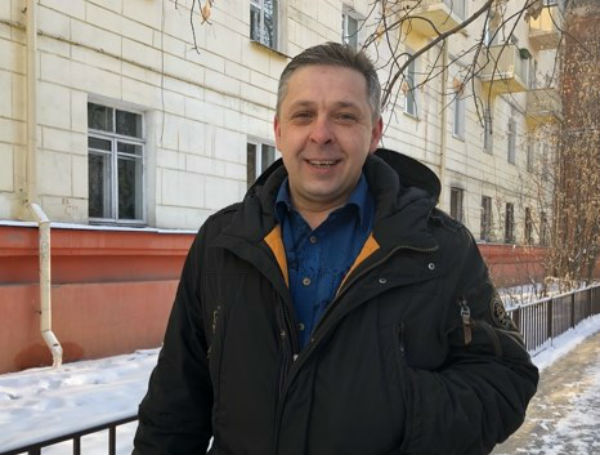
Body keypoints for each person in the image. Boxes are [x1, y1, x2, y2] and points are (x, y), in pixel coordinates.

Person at [133, 42, 538, 454]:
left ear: (374, 132)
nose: (321, 134)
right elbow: (174, 405)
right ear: (279, 131)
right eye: (303, 115)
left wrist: (401, 408)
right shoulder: (222, 243)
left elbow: (505, 379)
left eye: (344, 116)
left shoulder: (439, 248)